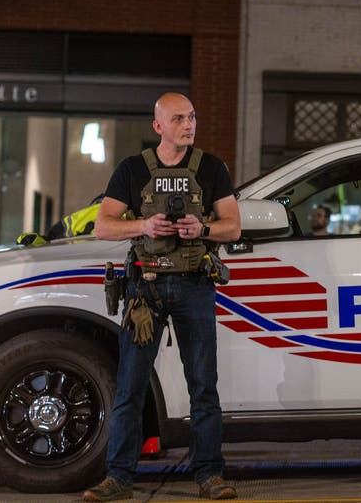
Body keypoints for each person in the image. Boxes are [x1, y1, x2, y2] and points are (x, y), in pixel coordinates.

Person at [84, 93, 241, 502]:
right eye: (178, 119)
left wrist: (202, 229)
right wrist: (144, 225)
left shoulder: (211, 167)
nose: (189, 125)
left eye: (192, 117)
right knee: (130, 387)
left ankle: (209, 475)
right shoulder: (132, 169)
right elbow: (103, 226)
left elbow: (233, 226)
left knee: (203, 387)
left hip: (194, 285)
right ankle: (118, 478)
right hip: (145, 288)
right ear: (158, 126)